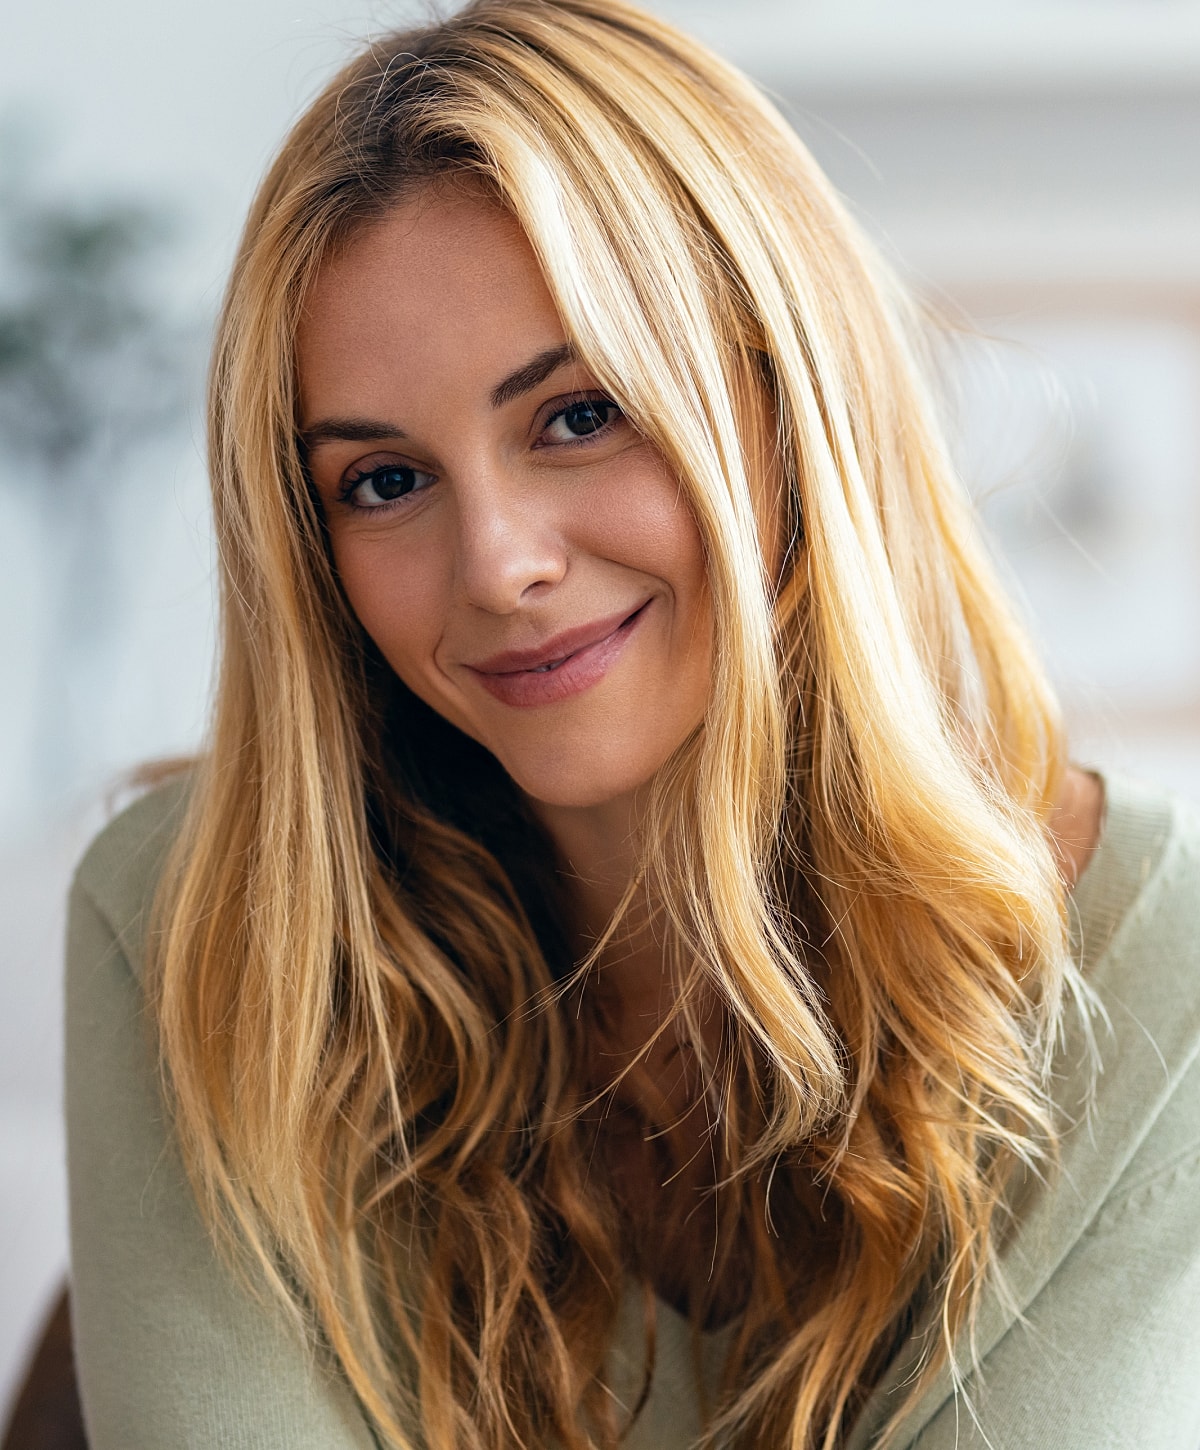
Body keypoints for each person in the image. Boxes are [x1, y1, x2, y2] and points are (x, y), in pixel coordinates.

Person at [64, 1, 1200, 1447]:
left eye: (580, 413)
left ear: (790, 400)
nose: (497, 564)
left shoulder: (1163, 960)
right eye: (385, 482)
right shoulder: (195, 931)